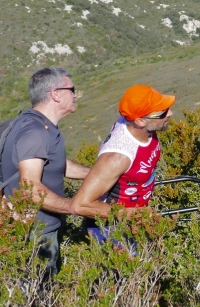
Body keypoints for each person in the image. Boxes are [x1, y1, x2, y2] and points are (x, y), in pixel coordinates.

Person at [0, 67, 91, 276]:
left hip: (41, 229)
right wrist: (74, 207)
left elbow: (56, 163)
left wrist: (95, 174)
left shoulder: (39, 126)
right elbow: (30, 188)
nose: (75, 95)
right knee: (39, 294)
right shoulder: (35, 131)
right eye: (72, 89)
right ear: (56, 94)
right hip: (37, 233)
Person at [71, 85, 174, 245]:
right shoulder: (118, 156)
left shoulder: (143, 128)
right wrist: (133, 214)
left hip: (132, 217)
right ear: (140, 121)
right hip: (111, 229)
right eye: (162, 112)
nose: (170, 113)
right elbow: (80, 205)